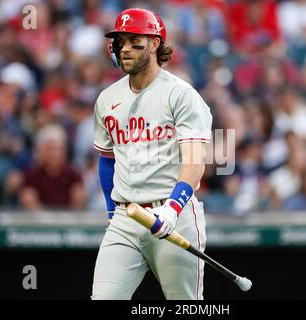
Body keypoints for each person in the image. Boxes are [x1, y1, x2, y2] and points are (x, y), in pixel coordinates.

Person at [91, 8, 212, 300]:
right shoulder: (107, 99)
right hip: (126, 215)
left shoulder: (180, 94)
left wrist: (173, 207)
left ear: (155, 43)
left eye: (135, 41)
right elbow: (107, 160)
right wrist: (111, 210)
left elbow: (194, 163)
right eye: (120, 41)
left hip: (174, 214)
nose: (125, 48)